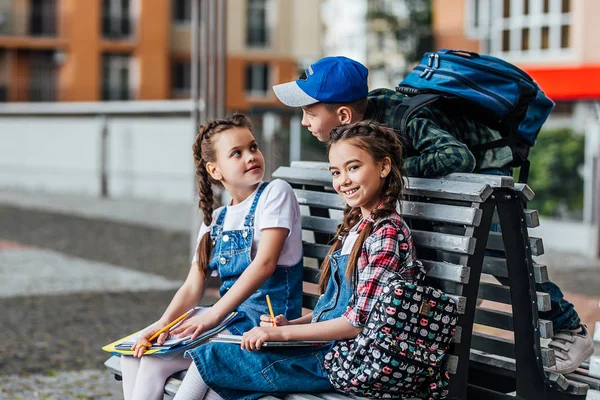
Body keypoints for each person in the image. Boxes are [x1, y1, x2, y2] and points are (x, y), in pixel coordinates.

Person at [271, 56, 593, 374]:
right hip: (451, 193)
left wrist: (394, 172)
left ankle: (571, 328)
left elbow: (458, 156)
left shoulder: (403, 118)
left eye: (309, 113)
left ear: (343, 115)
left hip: (485, 176)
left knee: (506, 260)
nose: (304, 122)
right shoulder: (364, 127)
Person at [171, 121, 426, 400]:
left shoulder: (385, 233)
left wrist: (282, 337)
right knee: (217, 369)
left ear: (384, 167)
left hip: (350, 360)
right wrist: (290, 325)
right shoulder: (357, 229)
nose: (344, 180)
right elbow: (333, 311)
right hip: (331, 351)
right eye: (336, 172)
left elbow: (356, 324)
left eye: (353, 167)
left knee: (213, 358)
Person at [119, 113, 304, 400]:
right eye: (237, 153)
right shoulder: (215, 219)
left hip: (263, 326)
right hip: (227, 322)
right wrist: (162, 323)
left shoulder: (275, 193)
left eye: (253, 147)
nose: (250, 157)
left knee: (167, 361)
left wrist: (213, 316)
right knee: (135, 354)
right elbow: (194, 284)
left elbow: (264, 264)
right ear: (215, 170)